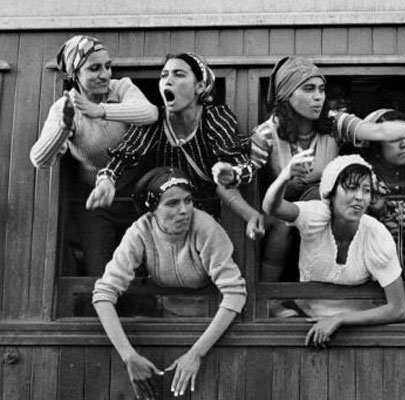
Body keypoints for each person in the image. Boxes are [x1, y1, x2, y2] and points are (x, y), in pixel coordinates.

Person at [214, 56, 405, 282]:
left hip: (324, 204)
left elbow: (374, 131)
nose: (318, 97)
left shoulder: (333, 122)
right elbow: (249, 169)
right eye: (309, 89)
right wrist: (231, 174)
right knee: (281, 228)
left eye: (321, 89)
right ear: (286, 95)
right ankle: (270, 293)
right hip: (281, 205)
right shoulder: (267, 133)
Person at [92, 167, 247, 399]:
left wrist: (196, 354)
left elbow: (235, 293)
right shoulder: (141, 231)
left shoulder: (205, 227)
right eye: (172, 203)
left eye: (188, 200)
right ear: (153, 209)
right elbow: (103, 293)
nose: (184, 210)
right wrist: (129, 357)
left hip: (215, 327)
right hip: (167, 320)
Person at [85, 52, 265, 239]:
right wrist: (107, 180)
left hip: (205, 225)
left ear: (199, 86)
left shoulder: (214, 119)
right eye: (164, 75)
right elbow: (126, 154)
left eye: (179, 74)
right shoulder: (154, 122)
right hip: (165, 222)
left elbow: (240, 168)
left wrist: (234, 179)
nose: (168, 81)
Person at [30, 35, 158, 276]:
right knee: (100, 272)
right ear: (75, 75)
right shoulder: (64, 108)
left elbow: (149, 113)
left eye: (107, 66)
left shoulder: (121, 88)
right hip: (95, 202)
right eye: (94, 68)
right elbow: (39, 159)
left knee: (143, 272)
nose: (105, 74)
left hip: (137, 197)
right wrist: (64, 128)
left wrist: (100, 110)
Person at [262, 153, 405, 348]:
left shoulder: (376, 235)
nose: (359, 197)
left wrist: (339, 319)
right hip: (305, 320)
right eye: (351, 188)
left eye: (366, 190)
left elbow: (398, 309)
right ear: (331, 192)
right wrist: (285, 176)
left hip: (359, 329)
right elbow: (272, 207)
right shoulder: (315, 216)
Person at [364, 109, 405, 280]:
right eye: (395, 139)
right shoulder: (363, 177)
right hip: (373, 274)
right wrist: (368, 211)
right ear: (376, 145)